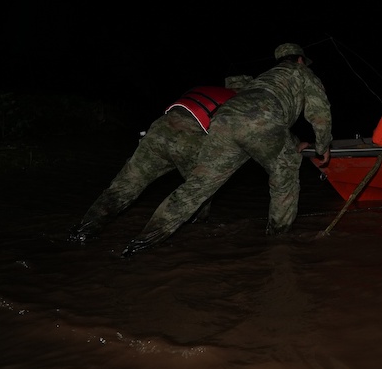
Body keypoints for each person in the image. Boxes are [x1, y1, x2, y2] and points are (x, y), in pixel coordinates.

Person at [120, 43, 332, 256]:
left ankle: (141, 242)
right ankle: (278, 244)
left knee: (198, 185)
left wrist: (294, 143)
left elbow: (259, 118)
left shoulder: (264, 78)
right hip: (261, 121)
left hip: (224, 119)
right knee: (285, 174)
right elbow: (319, 111)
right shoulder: (302, 72)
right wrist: (323, 145)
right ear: (300, 60)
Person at [68, 75, 254, 243]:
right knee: (199, 191)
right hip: (189, 138)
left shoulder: (205, 89)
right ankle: (195, 232)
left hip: (158, 129)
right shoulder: (238, 102)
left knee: (125, 186)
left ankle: (83, 231)